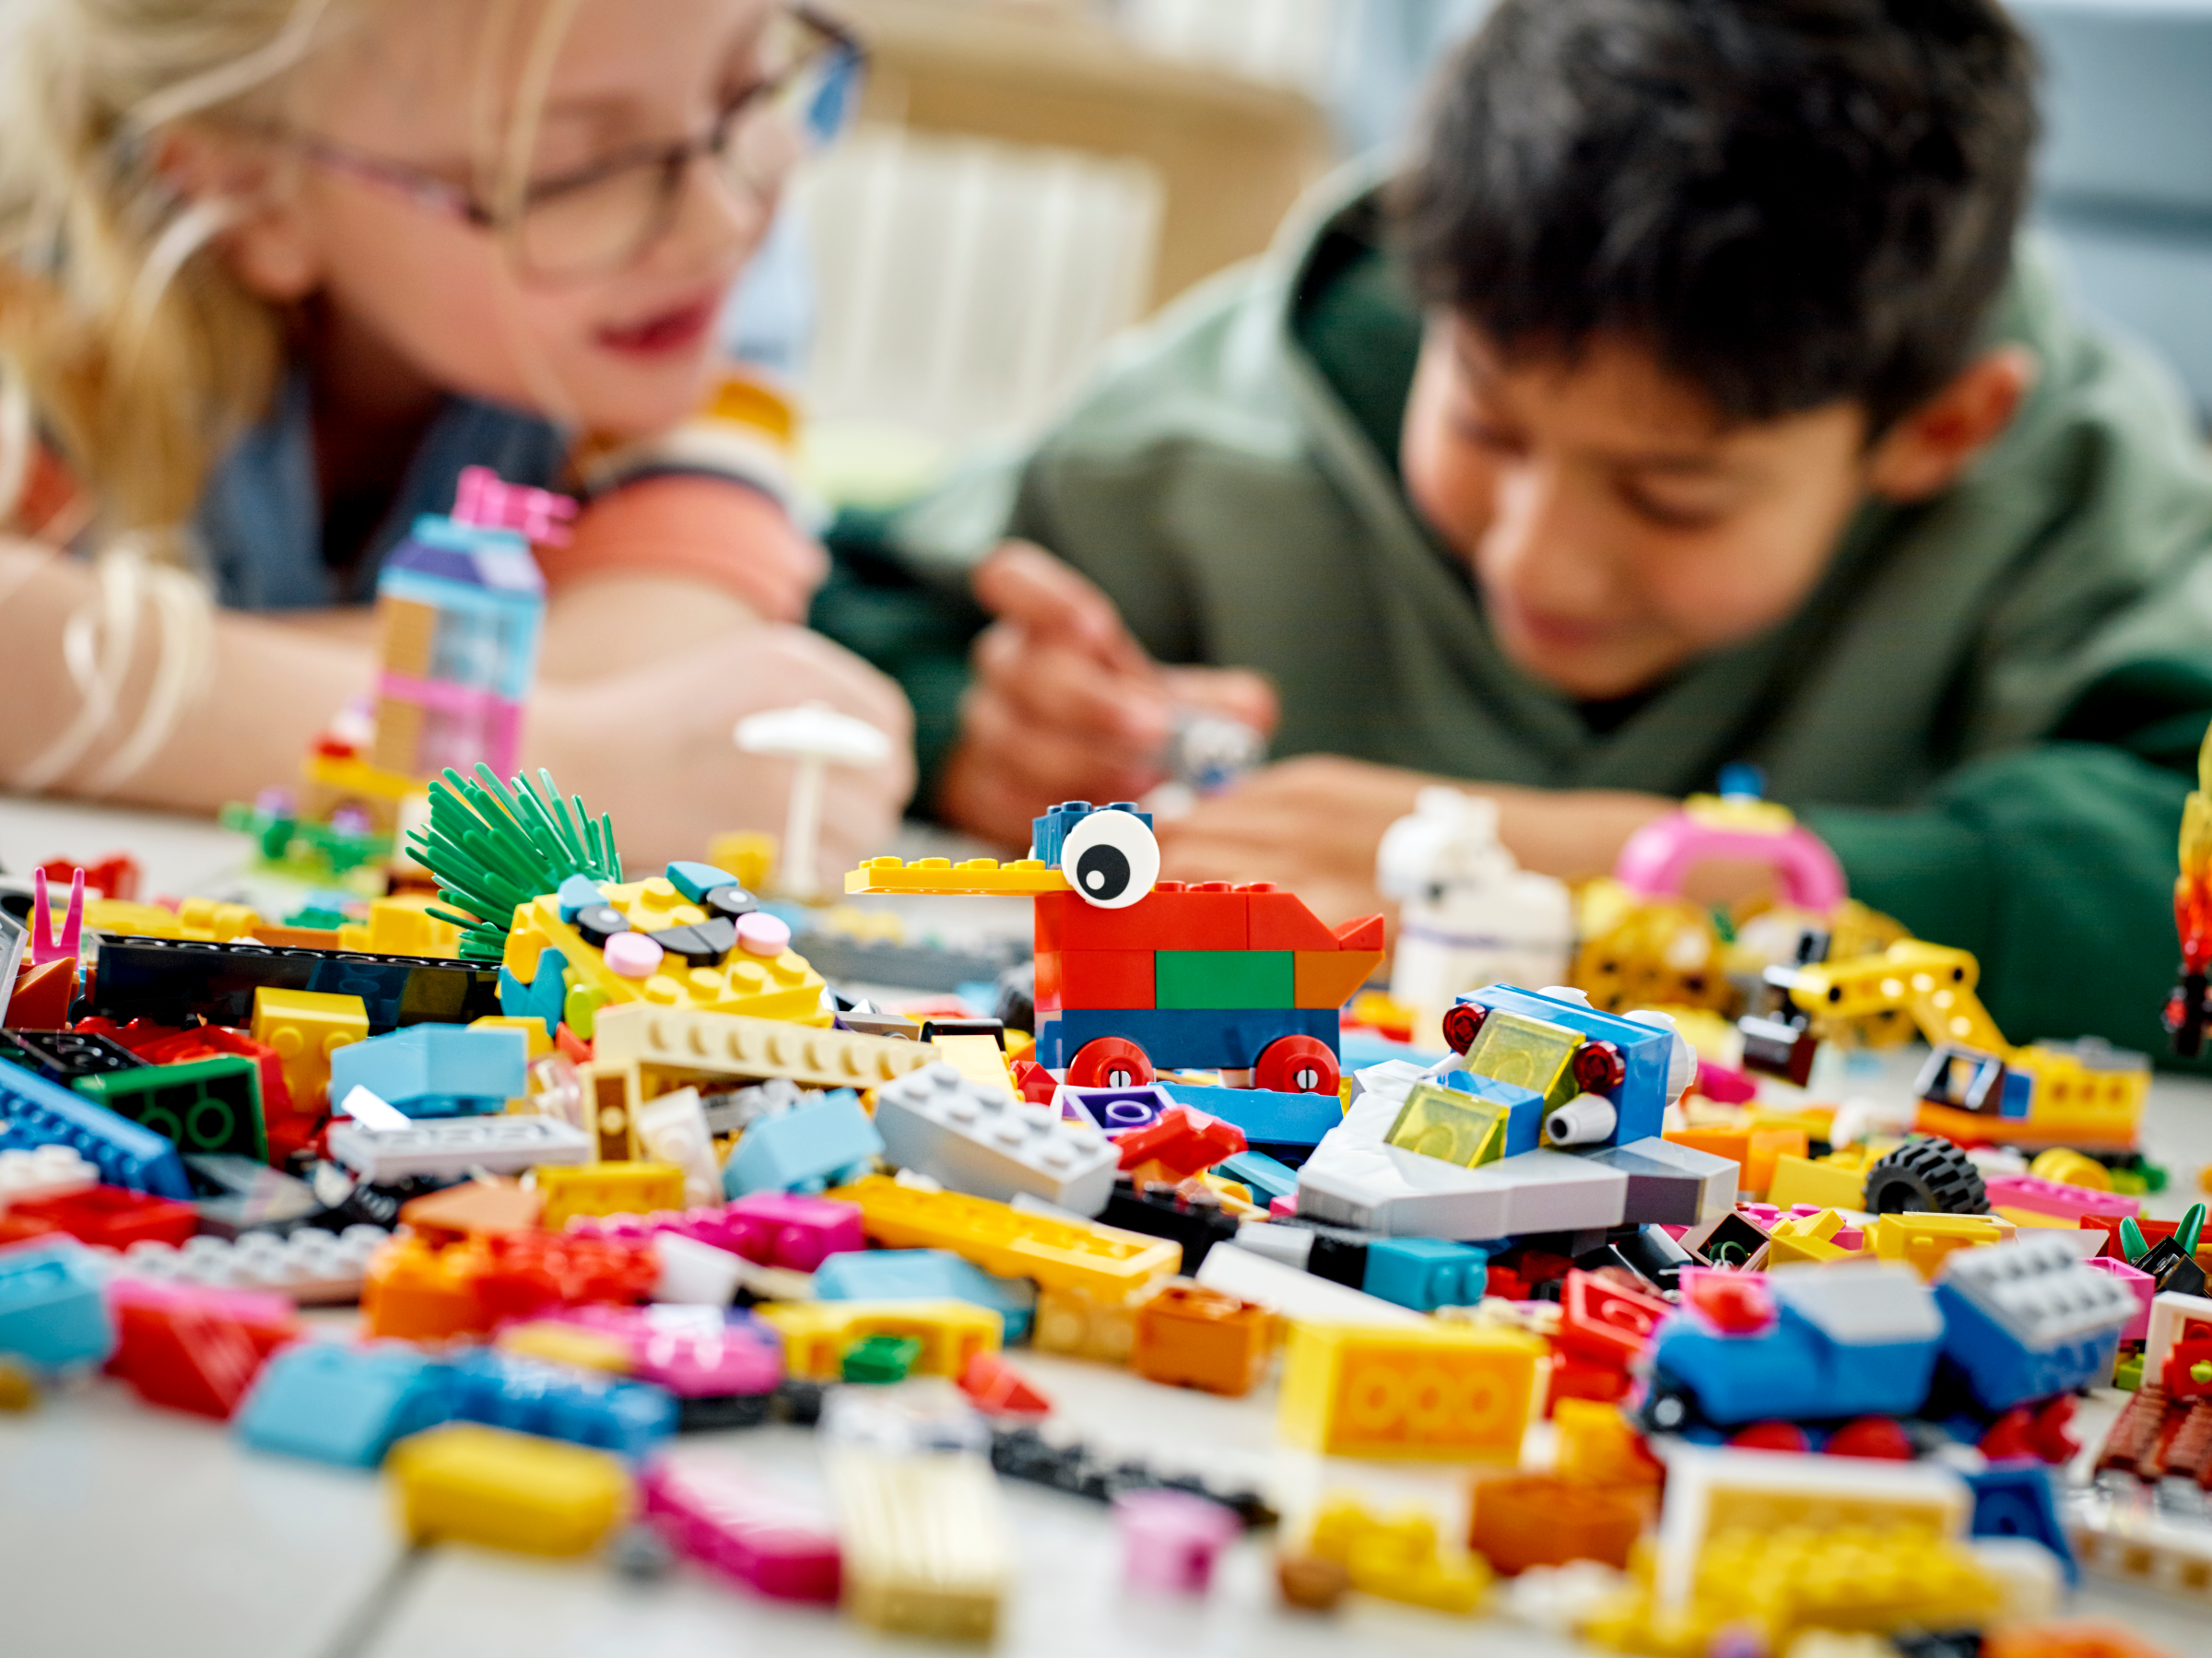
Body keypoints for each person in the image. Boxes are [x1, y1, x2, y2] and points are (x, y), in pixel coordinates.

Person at [818, 0, 2212, 1055]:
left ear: (1939, 430)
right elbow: (855, 615)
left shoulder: (2077, 484)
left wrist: (1584, 865)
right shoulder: (1203, 431)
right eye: (1486, 422)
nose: (1536, 555)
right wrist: (981, 725)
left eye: (1672, 494)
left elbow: (2171, 866)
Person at [0, 0, 912, 872]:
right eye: (577, 166)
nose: (720, 218)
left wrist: (146, 679)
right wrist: (540, 766)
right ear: (246, 186)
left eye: (749, 89)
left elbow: (664, 644)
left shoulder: (690, 291)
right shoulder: (43, 299)